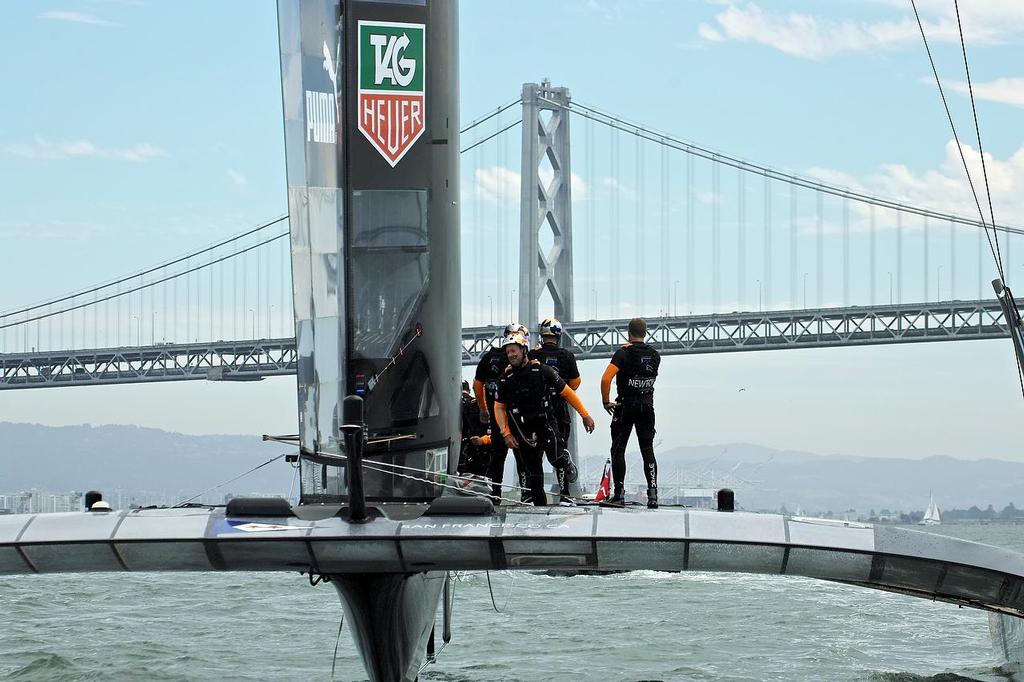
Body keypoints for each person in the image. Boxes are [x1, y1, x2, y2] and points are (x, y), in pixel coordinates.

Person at [490, 332, 595, 506]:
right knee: (534, 476)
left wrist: (585, 415)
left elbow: (568, 392)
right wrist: (506, 433)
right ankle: (539, 513)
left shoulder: (542, 371)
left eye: (514, 350)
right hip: (523, 431)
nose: (511, 355)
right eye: (508, 352)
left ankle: (565, 460)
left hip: (546, 424)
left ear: (524, 350)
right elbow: (499, 407)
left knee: (555, 459)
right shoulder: (505, 379)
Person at [600, 317, 661, 508]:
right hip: (647, 407)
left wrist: (605, 401)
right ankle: (653, 495)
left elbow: (605, 379)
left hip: (625, 406)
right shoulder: (654, 355)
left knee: (618, 449)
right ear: (645, 333)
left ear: (628, 332)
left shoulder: (623, 354)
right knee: (647, 450)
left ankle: (619, 495)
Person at [473, 323, 531, 501]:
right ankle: (527, 493)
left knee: (497, 456)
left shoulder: (489, 357)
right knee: (522, 456)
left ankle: (495, 494)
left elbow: (477, 385)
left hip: (496, 416)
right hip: (517, 416)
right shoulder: (519, 357)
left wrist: (483, 409)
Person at [528, 317, 581, 501]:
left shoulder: (533, 356)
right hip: (560, 409)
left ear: (542, 336)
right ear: (558, 336)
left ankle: (533, 494)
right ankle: (564, 494)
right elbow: (575, 383)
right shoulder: (567, 356)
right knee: (561, 451)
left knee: (535, 453)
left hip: (537, 411)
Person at [458, 380, 490, 479]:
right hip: (470, 448)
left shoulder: (494, 406)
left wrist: (483, 440)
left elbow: (500, 433)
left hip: (488, 450)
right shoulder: (469, 406)